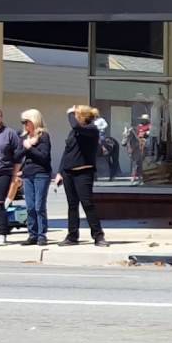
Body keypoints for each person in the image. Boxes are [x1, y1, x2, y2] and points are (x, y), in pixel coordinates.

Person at [55, 105, 108, 247]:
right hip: (68, 172)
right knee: (72, 205)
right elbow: (67, 152)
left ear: (82, 116)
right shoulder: (73, 133)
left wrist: (70, 113)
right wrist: (60, 172)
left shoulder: (91, 129)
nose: (74, 117)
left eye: (77, 115)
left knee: (87, 204)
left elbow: (76, 127)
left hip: (84, 172)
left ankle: (98, 235)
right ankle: (72, 236)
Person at [17, 109, 52, 246]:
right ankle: (32, 234)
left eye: (27, 121)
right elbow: (16, 156)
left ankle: (42, 235)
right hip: (27, 174)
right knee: (30, 207)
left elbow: (44, 157)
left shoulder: (43, 136)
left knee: (39, 206)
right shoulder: (25, 137)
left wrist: (30, 148)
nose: (25, 124)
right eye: (23, 122)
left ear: (34, 120)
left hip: (41, 173)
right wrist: (26, 146)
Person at [0, 107, 23, 246]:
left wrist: (15, 174)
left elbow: (18, 156)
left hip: (2, 172)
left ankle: (2, 233)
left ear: (2, 117)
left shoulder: (9, 133)